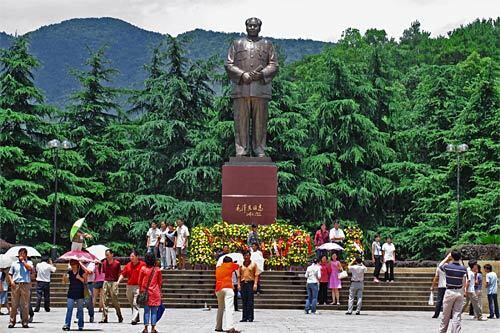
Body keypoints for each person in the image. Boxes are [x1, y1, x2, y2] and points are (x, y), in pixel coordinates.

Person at [438, 251, 468, 333]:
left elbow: (440, 266)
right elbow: (465, 276)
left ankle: (442, 331)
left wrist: (447, 258)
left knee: (446, 315)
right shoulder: (463, 269)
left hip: (449, 292)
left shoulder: (447, 267)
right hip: (459, 292)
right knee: (457, 315)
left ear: (452, 257)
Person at [117, 250, 145, 325]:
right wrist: (118, 282)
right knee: (132, 303)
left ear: (137, 257)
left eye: (133, 256)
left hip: (138, 286)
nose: (131, 257)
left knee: (135, 302)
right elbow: (123, 274)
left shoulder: (143, 265)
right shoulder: (128, 265)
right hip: (129, 286)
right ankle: (136, 317)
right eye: (130, 256)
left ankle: (133, 319)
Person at [8, 247, 33, 329]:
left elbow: (30, 269)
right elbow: (10, 274)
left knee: (25, 305)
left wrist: (23, 262)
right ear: (18, 254)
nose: (22, 255)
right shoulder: (14, 263)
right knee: (14, 304)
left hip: (25, 285)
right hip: (16, 284)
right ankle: (12, 321)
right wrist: (11, 281)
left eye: (24, 253)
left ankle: (25, 322)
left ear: (26, 255)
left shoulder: (29, 262)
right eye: (20, 253)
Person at [138, 252, 162, 333]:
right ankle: (153, 328)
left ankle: (145, 328)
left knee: (146, 311)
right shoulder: (157, 270)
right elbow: (160, 282)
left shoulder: (143, 269)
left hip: (145, 293)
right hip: (155, 293)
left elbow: (139, 281)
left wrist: (141, 290)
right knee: (154, 311)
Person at [215, 256, 240, 333]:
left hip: (218, 289)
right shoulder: (230, 265)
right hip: (227, 287)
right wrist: (235, 262)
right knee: (229, 308)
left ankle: (218, 326)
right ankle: (230, 327)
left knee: (220, 308)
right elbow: (238, 266)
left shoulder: (218, 267)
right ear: (230, 262)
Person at [62, 260, 87, 331]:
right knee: (69, 309)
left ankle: (81, 325)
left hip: (80, 292)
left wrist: (79, 278)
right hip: (71, 292)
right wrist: (64, 278)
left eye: (74, 264)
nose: (72, 266)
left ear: (77, 264)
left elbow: (86, 281)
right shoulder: (69, 272)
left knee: (80, 310)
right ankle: (67, 324)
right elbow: (64, 283)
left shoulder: (81, 272)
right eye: (71, 264)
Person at [100, 249, 123, 323]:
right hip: (106, 281)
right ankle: (104, 317)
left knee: (115, 300)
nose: (106, 256)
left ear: (112, 254)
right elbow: (103, 272)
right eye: (106, 255)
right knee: (104, 300)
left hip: (114, 282)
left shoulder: (117, 263)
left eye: (108, 254)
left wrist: (117, 283)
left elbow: (119, 274)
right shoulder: (104, 263)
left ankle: (119, 315)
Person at [239, 251, 258, 322]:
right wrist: (238, 284)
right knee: (244, 301)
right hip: (243, 283)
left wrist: (255, 284)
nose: (246, 257)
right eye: (245, 256)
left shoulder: (253, 264)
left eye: (247, 255)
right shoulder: (241, 265)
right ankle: (244, 317)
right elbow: (239, 276)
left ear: (250, 256)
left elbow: (256, 275)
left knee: (250, 301)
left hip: (250, 283)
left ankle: (250, 317)